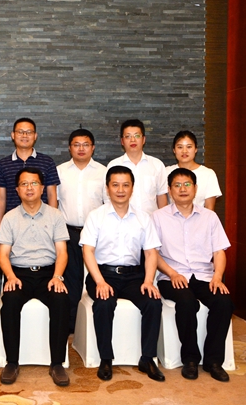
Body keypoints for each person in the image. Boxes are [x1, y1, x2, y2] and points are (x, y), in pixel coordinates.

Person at [80, 165, 164, 382]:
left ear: (132, 188)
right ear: (107, 188)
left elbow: (151, 253)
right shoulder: (96, 216)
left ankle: (147, 358)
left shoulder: (143, 218)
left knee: (153, 302)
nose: (120, 190)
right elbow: (87, 251)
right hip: (103, 274)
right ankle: (106, 359)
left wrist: (149, 281)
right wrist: (99, 281)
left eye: (125, 185)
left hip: (134, 276)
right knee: (104, 303)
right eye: (115, 185)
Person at [153, 168, 234, 382]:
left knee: (224, 302)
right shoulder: (158, 217)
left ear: (195, 188)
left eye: (187, 184)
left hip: (204, 276)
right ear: (169, 190)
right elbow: (153, 254)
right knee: (187, 302)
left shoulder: (209, 217)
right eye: (177, 185)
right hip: (172, 277)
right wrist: (172, 273)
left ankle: (213, 361)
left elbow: (219, 251)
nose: (183, 189)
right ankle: (190, 359)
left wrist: (217, 276)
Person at [0, 167, 71, 387]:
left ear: (42, 187)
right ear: (17, 190)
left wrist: (57, 277)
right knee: (9, 303)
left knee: (61, 300)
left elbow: (62, 252)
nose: (29, 188)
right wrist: (10, 277)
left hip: (49, 273)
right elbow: (3, 255)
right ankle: (12, 362)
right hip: (19, 274)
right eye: (24, 184)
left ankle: (57, 363)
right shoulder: (9, 217)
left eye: (34, 183)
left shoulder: (55, 215)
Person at [56, 128, 107, 333]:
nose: (81, 148)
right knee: (70, 278)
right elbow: (54, 203)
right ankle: (71, 325)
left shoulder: (103, 172)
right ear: (70, 148)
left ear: (93, 147)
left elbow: (108, 204)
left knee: (93, 277)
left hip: (95, 233)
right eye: (76, 144)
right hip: (67, 232)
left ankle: (89, 325)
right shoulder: (60, 171)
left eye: (85, 144)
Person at [0, 118, 59, 233]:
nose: (24, 135)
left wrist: (53, 225)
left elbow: (51, 195)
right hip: (12, 224)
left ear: (35, 136)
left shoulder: (47, 162)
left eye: (29, 132)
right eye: (20, 132)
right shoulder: (3, 164)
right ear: (13, 135)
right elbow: (0, 198)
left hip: (43, 224)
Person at [107, 119, 167, 215]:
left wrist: (162, 220)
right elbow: (109, 198)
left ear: (143, 139)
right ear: (122, 141)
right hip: (122, 221)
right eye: (128, 136)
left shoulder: (157, 165)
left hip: (151, 221)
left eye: (137, 136)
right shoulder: (113, 165)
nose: (133, 140)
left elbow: (161, 196)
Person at [165, 131, 222, 210]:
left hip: (200, 218)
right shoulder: (165, 172)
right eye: (180, 147)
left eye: (189, 147)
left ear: (195, 149)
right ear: (174, 150)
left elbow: (209, 209)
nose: (184, 151)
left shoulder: (208, 174)